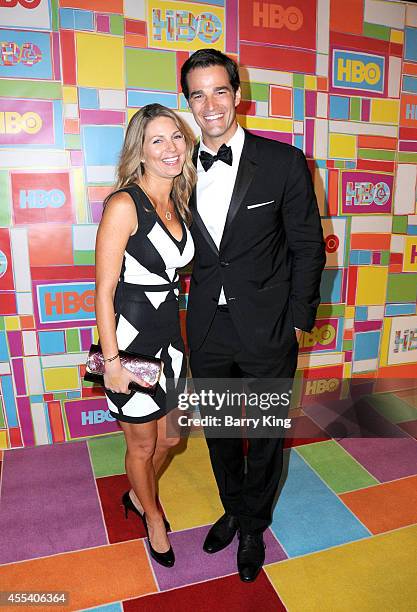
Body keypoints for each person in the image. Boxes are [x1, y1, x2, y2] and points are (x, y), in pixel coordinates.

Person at [180, 49, 326, 582]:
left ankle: (252, 526)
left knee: (264, 434)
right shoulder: (177, 171)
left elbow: (309, 247)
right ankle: (235, 507)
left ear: (238, 95)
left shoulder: (283, 162)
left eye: (220, 90)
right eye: (198, 94)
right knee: (220, 433)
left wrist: (297, 319)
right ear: (189, 103)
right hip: (208, 329)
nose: (211, 104)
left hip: (268, 327)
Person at [94, 104, 196, 568]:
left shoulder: (178, 200)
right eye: (157, 140)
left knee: (172, 438)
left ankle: (139, 492)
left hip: (170, 340)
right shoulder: (124, 203)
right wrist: (112, 361)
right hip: (131, 339)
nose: (170, 148)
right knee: (141, 444)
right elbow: (104, 288)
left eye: (175, 136)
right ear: (140, 149)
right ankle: (151, 514)